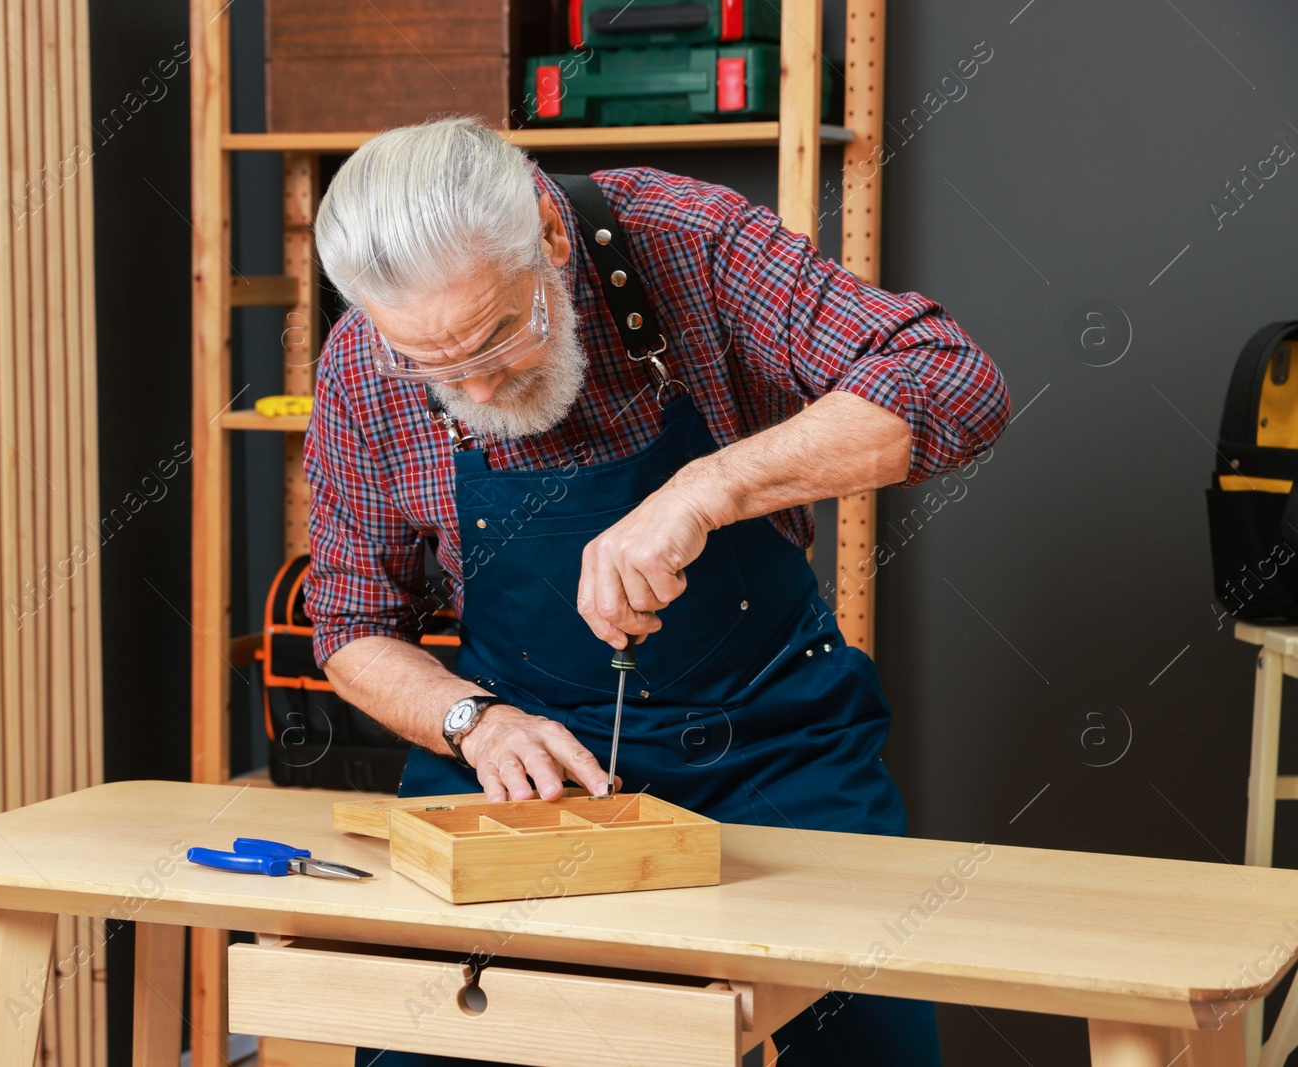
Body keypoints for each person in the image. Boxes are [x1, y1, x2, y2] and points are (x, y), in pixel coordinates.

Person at [303, 116, 1009, 1066]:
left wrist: (707, 488)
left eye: (499, 334)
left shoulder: (683, 241)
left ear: (550, 240)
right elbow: (351, 625)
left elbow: (953, 382)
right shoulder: (362, 364)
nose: (479, 384)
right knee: (428, 1035)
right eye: (434, 366)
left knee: (866, 1036)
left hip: (771, 739)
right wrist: (473, 722)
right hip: (529, 767)